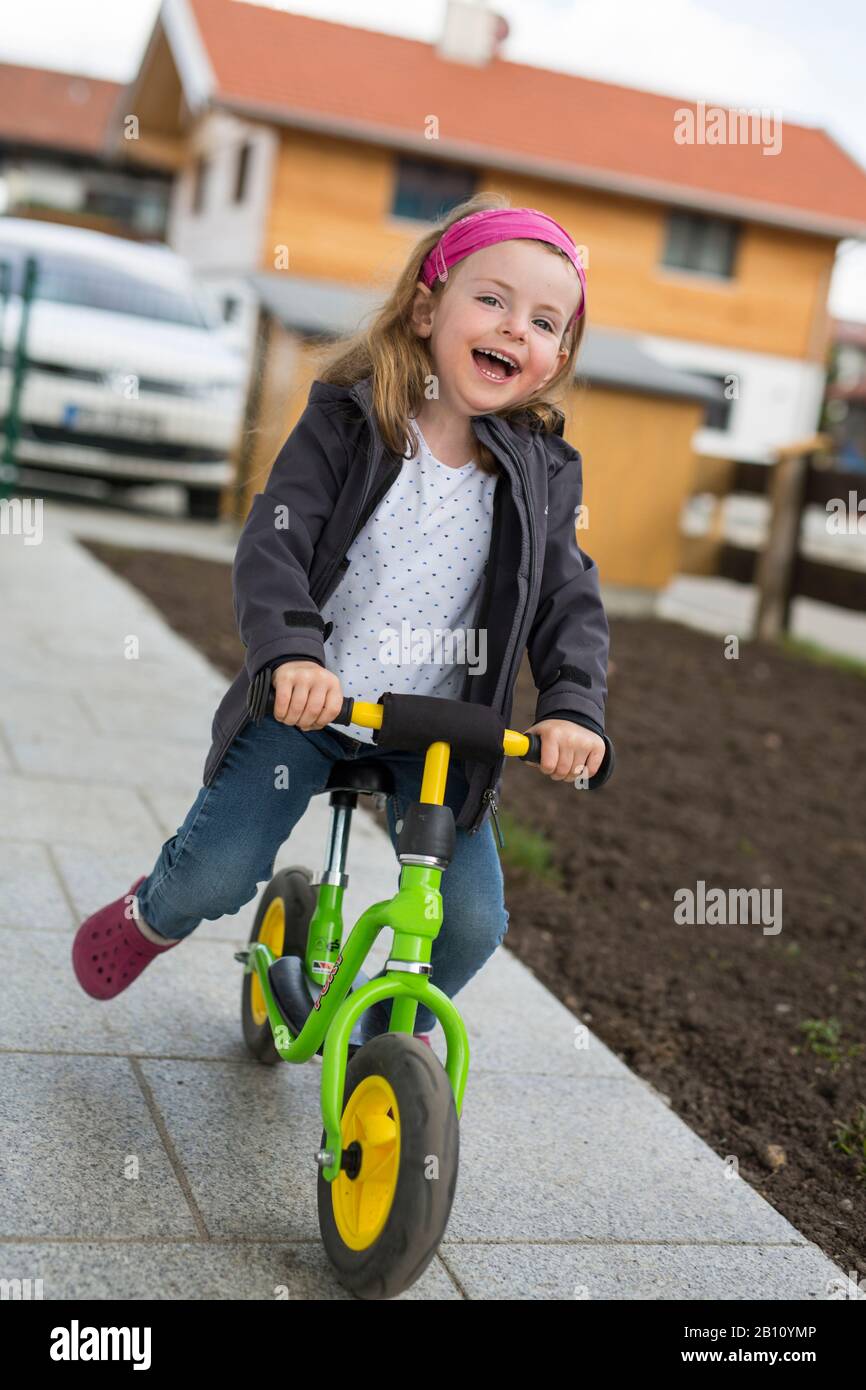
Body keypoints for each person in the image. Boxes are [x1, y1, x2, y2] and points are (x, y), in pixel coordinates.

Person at [71, 193, 615, 1047]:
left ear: (554, 360)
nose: (516, 329)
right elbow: (273, 543)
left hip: (439, 731)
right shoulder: (349, 421)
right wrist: (291, 653)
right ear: (428, 306)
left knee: (469, 923)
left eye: (546, 321)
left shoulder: (543, 474)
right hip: (315, 705)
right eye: (494, 300)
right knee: (216, 872)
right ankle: (152, 912)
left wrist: (573, 706)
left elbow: (567, 599)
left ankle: (383, 1037)